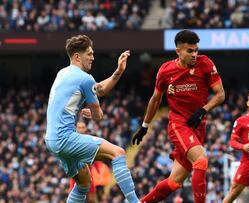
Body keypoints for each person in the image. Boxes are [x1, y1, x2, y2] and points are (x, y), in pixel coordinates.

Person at [132, 30, 225, 203]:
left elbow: (220, 94)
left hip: (198, 125)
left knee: (174, 182)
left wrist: (203, 110)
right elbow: (155, 100)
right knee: (201, 160)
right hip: (179, 124)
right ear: (178, 51)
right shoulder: (166, 71)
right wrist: (144, 126)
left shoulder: (205, 64)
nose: (195, 54)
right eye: (190, 51)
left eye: (196, 50)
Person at [45, 34, 139, 203]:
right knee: (118, 153)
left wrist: (118, 72)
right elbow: (98, 116)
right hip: (65, 137)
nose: (93, 57)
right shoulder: (85, 78)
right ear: (77, 56)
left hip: (51, 139)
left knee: (83, 182)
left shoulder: (63, 73)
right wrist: (96, 113)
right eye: (89, 53)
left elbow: (99, 90)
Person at [68, 121, 112, 203]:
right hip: (76, 175)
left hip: (89, 174)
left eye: (83, 127)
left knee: (92, 200)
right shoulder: (72, 142)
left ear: (86, 129)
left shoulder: (90, 140)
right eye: (79, 127)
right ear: (76, 129)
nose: (81, 129)